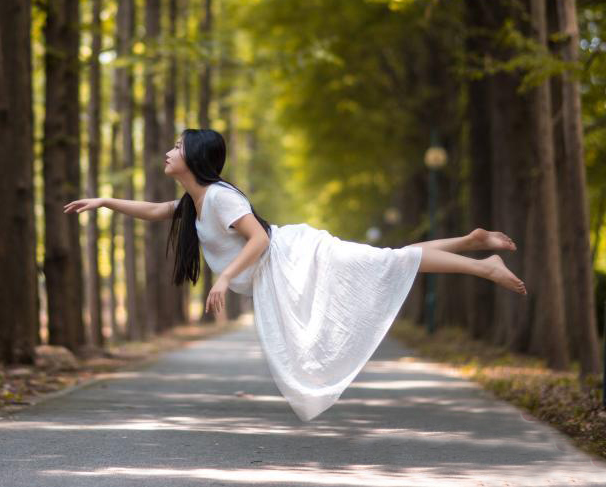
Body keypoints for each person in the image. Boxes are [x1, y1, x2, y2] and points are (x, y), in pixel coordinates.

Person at [63, 127, 527, 422]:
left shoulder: (221, 197)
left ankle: (482, 265)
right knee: (387, 259)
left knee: (388, 262)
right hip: (286, 269)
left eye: (177, 147)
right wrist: (105, 202)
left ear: (196, 158)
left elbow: (259, 240)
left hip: (298, 260)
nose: (168, 152)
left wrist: (223, 279)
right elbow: (155, 210)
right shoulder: (195, 201)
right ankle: (470, 243)